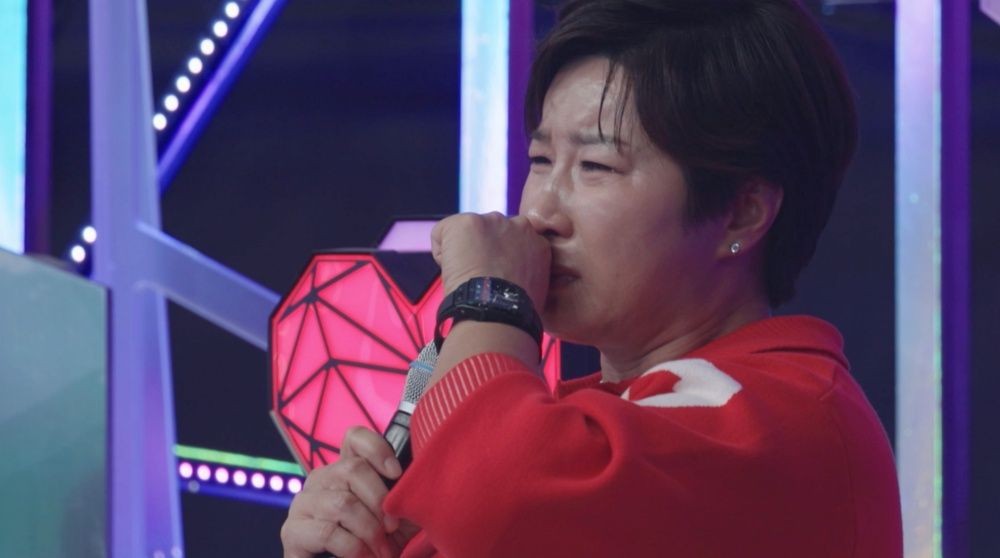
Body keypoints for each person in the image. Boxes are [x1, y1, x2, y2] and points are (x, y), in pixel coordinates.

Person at [280, 0, 903, 556]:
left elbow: (497, 499)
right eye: (541, 159)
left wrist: (488, 302)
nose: (541, 212)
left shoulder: (782, 421)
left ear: (742, 212)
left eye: (597, 166)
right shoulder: (573, 429)